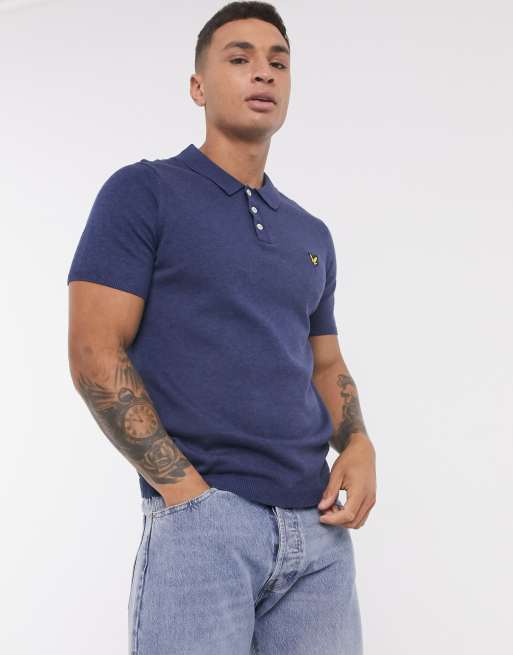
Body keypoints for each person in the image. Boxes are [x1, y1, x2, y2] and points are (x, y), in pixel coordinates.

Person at [67, 2, 376, 653]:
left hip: (318, 534)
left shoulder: (310, 232)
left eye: (278, 63)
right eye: (239, 58)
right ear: (198, 86)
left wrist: (357, 443)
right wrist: (184, 495)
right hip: (204, 523)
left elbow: (325, 362)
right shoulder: (144, 191)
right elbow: (95, 348)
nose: (263, 73)